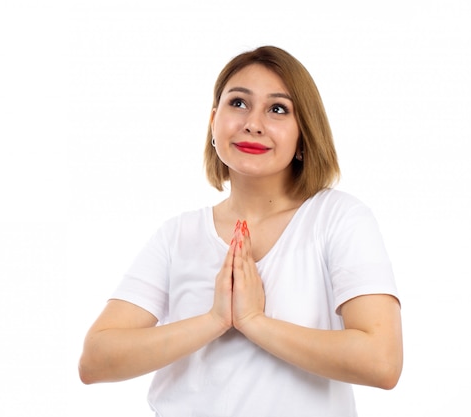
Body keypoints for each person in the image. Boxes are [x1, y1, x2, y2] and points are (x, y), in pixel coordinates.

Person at [78, 45, 403, 416]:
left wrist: (254, 322)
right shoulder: (177, 235)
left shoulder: (338, 218)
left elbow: (382, 362)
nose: (253, 123)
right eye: (238, 103)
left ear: (304, 134)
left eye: (277, 109)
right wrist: (214, 320)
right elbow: (95, 360)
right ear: (213, 121)